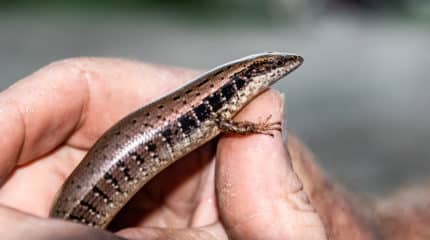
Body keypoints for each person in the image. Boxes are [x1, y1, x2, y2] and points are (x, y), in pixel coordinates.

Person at [0, 58, 425, 240]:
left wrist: (358, 228)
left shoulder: (219, 104)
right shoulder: (218, 107)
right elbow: (225, 123)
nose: (281, 71)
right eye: (269, 69)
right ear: (246, 80)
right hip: (84, 207)